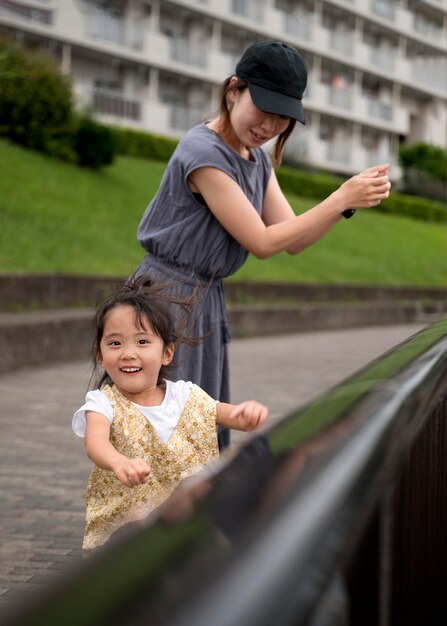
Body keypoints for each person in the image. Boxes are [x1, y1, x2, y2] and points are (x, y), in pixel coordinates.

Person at [132, 40, 391, 449]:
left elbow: (293, 239)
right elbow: (264, 242)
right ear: (233, 89)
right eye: (263, 110)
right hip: (165, 300)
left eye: (282, 118)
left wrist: (345, 206)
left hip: (203, 302)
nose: (269, 126)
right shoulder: (203, 152)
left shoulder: (257, 159)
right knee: (162, 435)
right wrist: (339, 198)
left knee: (194, 436)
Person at [72, 276, 268, 551]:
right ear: (100, 355)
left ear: (167, 352)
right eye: (115, 344)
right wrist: (118, 462)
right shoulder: (102, 403)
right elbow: (96, 442)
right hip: (128, 532)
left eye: (142, 342)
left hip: (190, 527)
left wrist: (247, 413)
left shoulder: (186, 396)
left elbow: (231, 416)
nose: (128, 353)